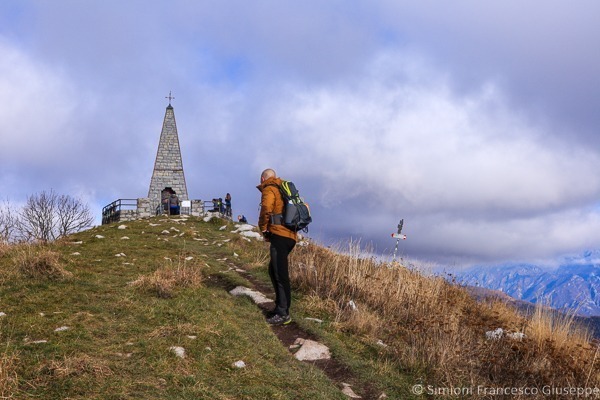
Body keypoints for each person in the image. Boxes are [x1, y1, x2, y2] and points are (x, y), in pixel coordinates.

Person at [257, 168, 297, 325]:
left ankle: (283, 313)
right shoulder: (283, 188)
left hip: (280, 234)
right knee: (274, 270)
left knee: (279, 273)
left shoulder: (270, 188)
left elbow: (266, 208)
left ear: (262, 178)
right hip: (290, 235)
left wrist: (263, 228)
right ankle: (280, 307)